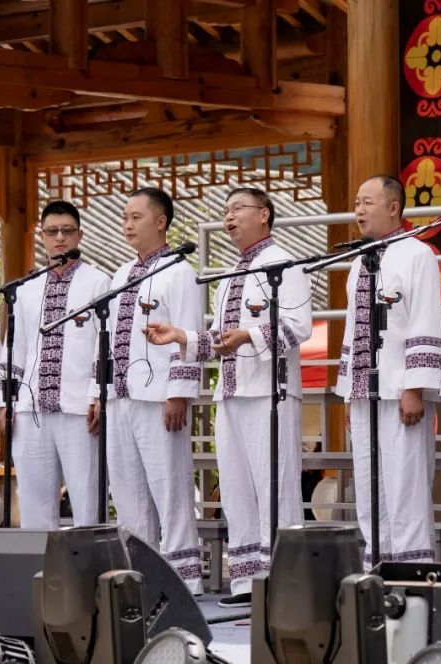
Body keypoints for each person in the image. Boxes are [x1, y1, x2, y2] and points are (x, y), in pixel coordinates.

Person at [144, 187, 312, 607]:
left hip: (270, 393)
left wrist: (249, 336)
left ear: (264, 214)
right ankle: (248, 581)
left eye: (238, 209)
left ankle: (285, 583)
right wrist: (180, 336)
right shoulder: (230, 274)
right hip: (231, 393)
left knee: (276, 488)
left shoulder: (284, 263)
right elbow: (220, 340)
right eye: (226, 211)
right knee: (235, 490)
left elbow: (299, 326)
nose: (229, 217)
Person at [98, 188, 204, 594]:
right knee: (127, 491)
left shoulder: (179, 271)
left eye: (136, 217)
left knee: (170, 488)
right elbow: (108, 339)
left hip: (160, 397)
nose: (127, 224)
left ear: (161, 222)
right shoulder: (121, 273)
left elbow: (188, 330)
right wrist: (98, 393)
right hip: (120, 396)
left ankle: (183, 581)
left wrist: (179, 392)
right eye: (125, 217)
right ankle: (139, 576)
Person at [334, 175, 441, 568]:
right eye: (356, 203)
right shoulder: (360, 261)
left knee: (405, 483)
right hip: (365, 392)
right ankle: (376, 564)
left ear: (394, 208)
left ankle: (411, 570)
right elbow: (351, 328)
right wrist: (350, 391)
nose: (359, 210)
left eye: (368, 202)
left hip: (400, 391)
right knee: (368, 482)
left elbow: (424, 318)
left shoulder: (417, 254)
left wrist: (415, 387)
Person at [1, 201, 109, 529]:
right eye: (52, 231)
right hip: (31, 410)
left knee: (87, 497)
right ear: (42, 236)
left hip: (80, 410)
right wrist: (6, 402)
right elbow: (14, 348)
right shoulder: (26, 289)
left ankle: (88, 561)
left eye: (67, 231)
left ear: (80, 235)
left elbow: (104, 346)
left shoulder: (99, 283)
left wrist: (98, 395)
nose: (60, 238)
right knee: (33, 501)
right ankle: (40, 562)